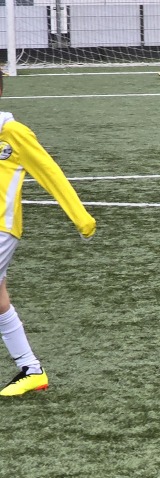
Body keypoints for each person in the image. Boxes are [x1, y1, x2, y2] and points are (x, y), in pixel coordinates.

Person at [0, 73, 96, 397]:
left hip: (2, 228)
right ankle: (31, 370)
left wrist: (81, 217)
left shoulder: (13, 132)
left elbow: (50, 173)